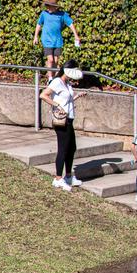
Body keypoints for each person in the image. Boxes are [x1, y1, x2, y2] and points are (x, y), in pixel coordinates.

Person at [39, 59, 90, 190]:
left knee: (71, 147)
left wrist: (77, 96)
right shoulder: (56, 82)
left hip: (69, 119)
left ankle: (68, 176)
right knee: (63, 148)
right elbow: (43, 95)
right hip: (62, 121)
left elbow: (65, 99)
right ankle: (58, 178)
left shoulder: (67, 83)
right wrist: (57, 105)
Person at [33, 0, 80, 72]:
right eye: (47, 6)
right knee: (51, 60)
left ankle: (54, 78)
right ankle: (50, 78)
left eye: (49, 6)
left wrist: (76, 35)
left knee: (56, 61)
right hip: (47, 40)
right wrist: (35, 37)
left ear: (55, 7)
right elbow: (39, 24)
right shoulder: (44, 14)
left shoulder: (62, 15)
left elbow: (70, 24)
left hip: (57, 41)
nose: (47, 8)